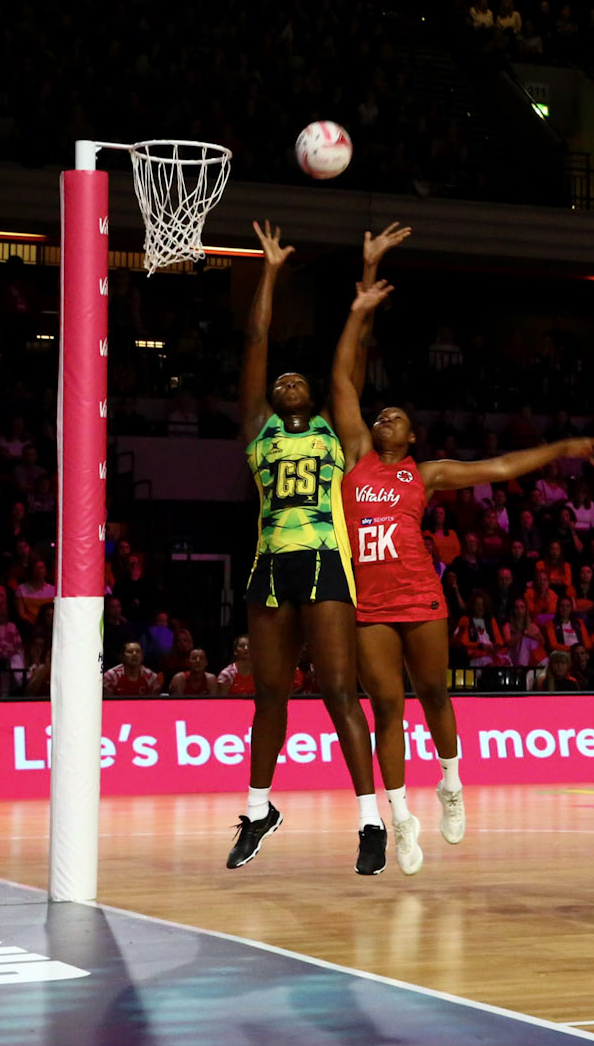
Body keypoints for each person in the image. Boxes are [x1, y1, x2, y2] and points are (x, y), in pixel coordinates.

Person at [332, 253, 594, 874]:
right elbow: (344, 385)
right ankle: (401, 819)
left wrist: (565, 447)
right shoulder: (355, 457)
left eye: (396, 418)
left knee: (433, 691)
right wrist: (357, 313)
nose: (384, 418)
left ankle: (451, 782)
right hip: (371, 603)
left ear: (410, 439)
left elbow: (502, 467)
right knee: (386, 708)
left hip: (420, 595)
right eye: (382, 415)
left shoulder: (422, 474)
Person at [228, 220, 383, 876]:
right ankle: (259, 808)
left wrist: (367, 286)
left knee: (340, 691)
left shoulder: (337, 434)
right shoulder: (258, 430)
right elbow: (257, 340)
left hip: (324, 561)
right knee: (269, 693)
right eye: (280, 378)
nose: (286, 379)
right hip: (269, 566)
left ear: (314, 397)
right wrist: (268, 271)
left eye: (299, 378)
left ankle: (371, 819)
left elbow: (354, 361)